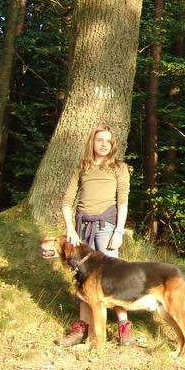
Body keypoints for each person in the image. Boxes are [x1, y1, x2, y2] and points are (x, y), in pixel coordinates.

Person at [56, 125, 131, 347]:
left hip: (106, 227)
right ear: (93, 142)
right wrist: (70, 229)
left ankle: (124, 328)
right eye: (100, 140)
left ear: (113, 145)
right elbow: (67, 202)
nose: (104, 144)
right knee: (84, 280)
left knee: (112, 279)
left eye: (108, 141)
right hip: (82, 230)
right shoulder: (83, 167)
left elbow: (123, 202)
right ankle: (81, 329)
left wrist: (119, 231)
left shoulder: (119, 168)